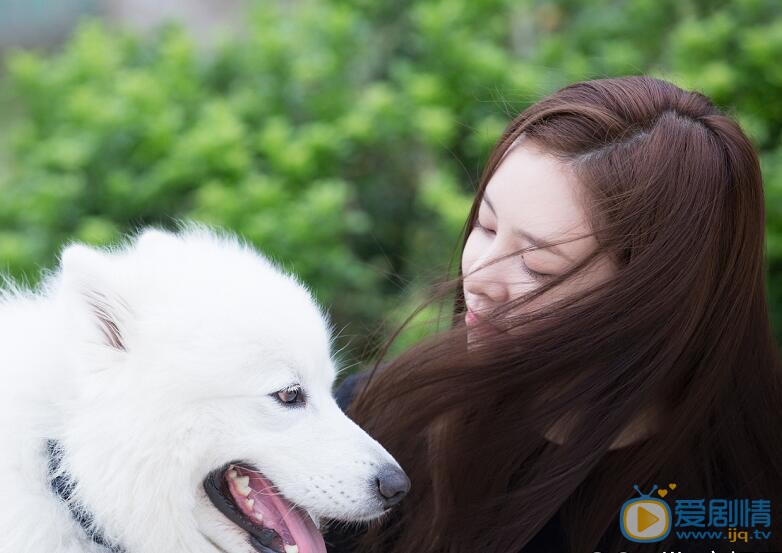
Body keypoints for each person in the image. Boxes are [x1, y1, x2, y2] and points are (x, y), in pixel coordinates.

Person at [323, 76, 782, 553]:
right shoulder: (383, 421)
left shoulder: (734, 512)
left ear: (652, 298)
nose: (478, 276)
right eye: (486, 224)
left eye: (537, 264)